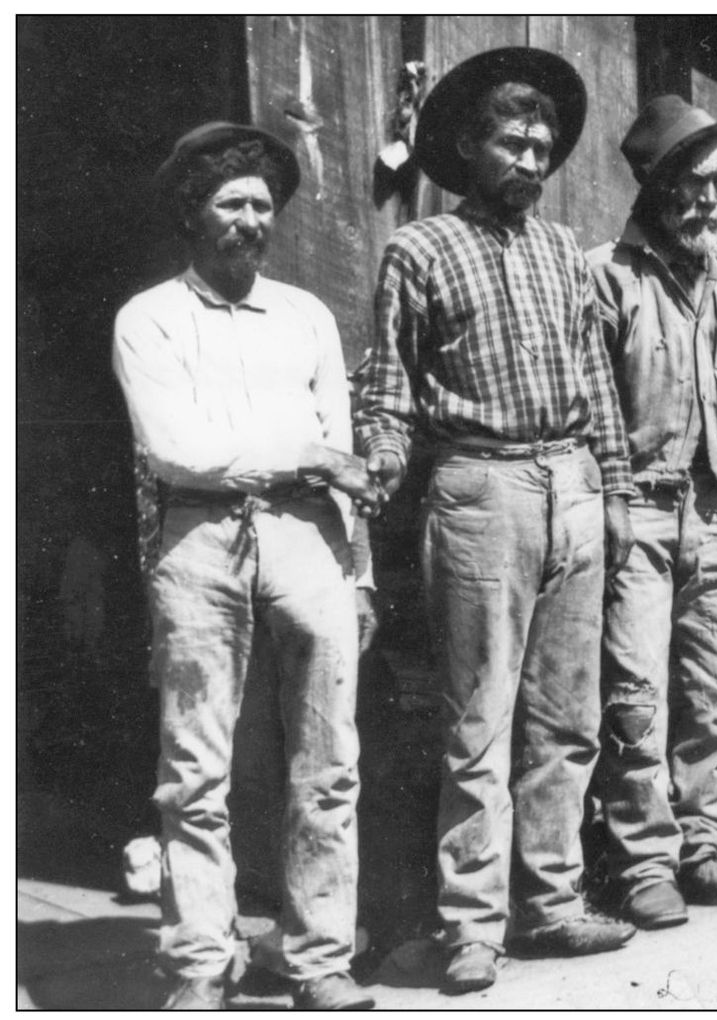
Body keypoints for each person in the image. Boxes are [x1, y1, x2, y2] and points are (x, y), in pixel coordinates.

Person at [355, 48, 637, 994]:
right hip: (478, 491)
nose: (530, 160)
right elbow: (390, 389)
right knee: (477, 719)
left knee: (567, 714)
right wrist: (378, 470)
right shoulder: (419, 251)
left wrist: (616, 492)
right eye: (512, 143)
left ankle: (552, 903)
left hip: (573, 484)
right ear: (468, 149)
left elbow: (597, 382)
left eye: (543, 147)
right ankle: (471, 925)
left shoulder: (566, 251)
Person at [114, 122, 377, 1010]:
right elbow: (176, 449)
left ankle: (317, 960)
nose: (250, 219)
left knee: (327, 760)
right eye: (231, 202)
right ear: (193, 212)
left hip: (311, 542)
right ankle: (197, 965)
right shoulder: (149, 318)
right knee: (194, 770)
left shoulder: (304, 316)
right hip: (197, 545)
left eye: (263, 205)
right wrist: (301, 455)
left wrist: (361, 571)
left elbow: (344, 458)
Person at [588, 95, 717, 929]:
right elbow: (592, 404)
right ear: (654, 189)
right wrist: (604, 506)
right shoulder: (608, 272)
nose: (709, 204)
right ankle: (641, 865)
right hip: (636, 507)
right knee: (634, 696)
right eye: (692, 187)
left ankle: (703, 847)